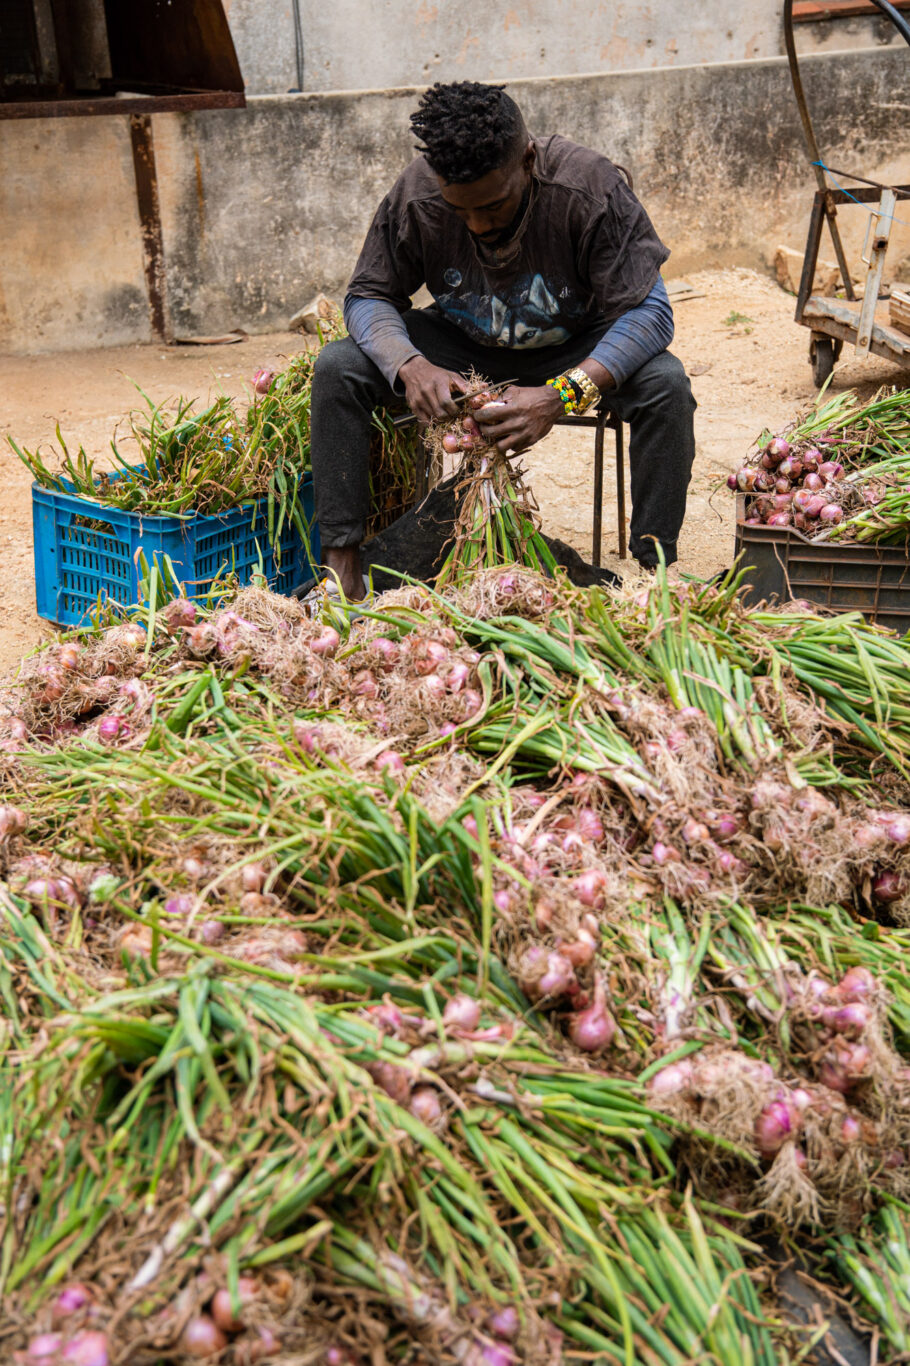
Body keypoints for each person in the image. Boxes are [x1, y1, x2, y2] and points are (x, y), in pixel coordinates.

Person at [309, 80, 696, 600]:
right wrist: (409, 364)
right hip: (462, 345)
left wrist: (563, 393)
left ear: (529, 160)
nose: (477, 224)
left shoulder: (588, 188)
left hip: (574, 348)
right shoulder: (417, 195)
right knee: (338, 367)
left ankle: (656, 579)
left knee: (666, 386)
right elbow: (368, 295)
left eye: (492, 205)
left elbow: (651, 313)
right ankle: (343, 573)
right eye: (459, 210)